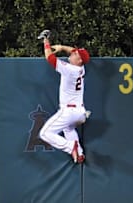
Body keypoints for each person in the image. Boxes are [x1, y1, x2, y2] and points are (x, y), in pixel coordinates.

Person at [37, 30, 90, 164]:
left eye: (75, 54)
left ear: (78, 60)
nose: (72, 53)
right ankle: (79, 154)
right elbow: (73, 51)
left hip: (69, 112)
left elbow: (49, 58)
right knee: (68, 128)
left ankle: (70, 147)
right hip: (80, 113)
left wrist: (46, 41)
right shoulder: (81, 68)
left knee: (44, 134)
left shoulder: (70, 69)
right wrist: (61, 47)